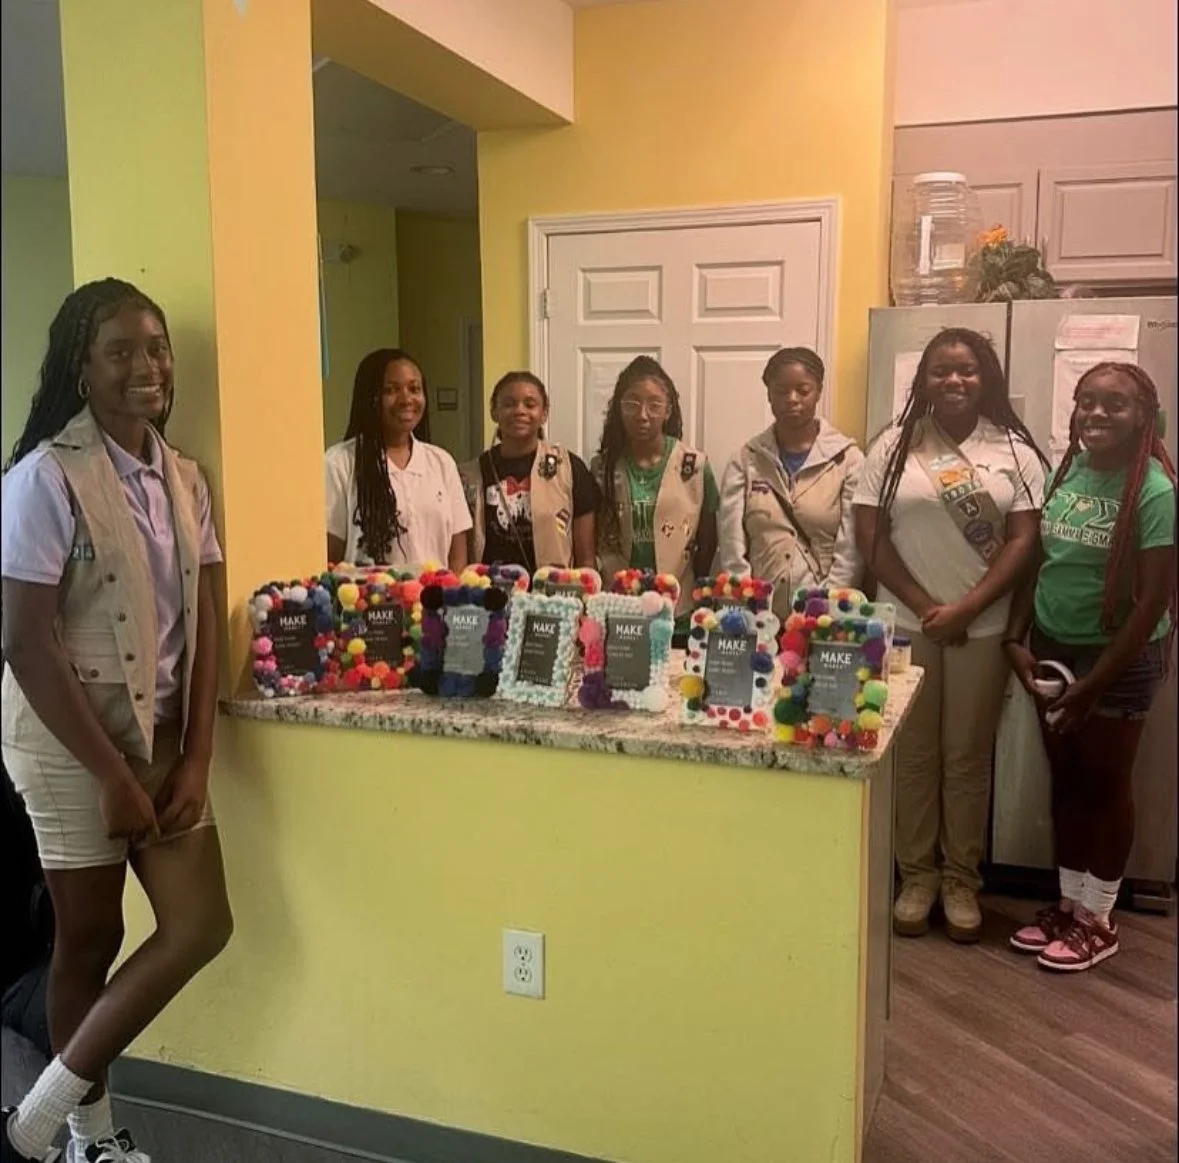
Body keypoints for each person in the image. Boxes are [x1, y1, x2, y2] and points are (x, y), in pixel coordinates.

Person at [1, 279, 233, 1163]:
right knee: (89, 938)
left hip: (160, 739)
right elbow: (25, 641)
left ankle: (28, 1127)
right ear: (81, 368)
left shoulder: (184, 476)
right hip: (69, 745)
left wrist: (197, 755)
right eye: (121, 351)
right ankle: (86, 1141)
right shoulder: (43, 479)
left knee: (200, 924)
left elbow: (207, 620)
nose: (148, 366)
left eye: (158, 347)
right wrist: (109, 775)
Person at [853, 327, 1047, 944]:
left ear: (984, 376)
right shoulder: (892, 447)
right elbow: (871, 539)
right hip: (908, 623)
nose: (955, 380)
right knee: (911, 756)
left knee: (965, 757)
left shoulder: (1013, 450)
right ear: (924, 379)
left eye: (966, 370)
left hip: (982, 627)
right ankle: (917, 877)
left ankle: (962, 879)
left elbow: (1024, 541)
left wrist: (967, 608)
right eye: (942, 370)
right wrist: (925, 604)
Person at [1004, 363, 1175, 972]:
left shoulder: (1154, 490)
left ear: (1143, 417)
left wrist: (1090, 687)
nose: (1097, 414)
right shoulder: (1065, 472)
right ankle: (1068, 904)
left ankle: (1099, 919)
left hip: (1118, 659)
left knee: (1106, 786)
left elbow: (1154, 600)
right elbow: (1040, 565)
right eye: (1087, 402)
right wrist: (1016, 637)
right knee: (1068, 782)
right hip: (1055, 647)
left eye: (1115, 404)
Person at [718, 347, 863, 620]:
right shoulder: (746, 459)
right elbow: (731, 544)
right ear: (769, 395)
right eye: (781, 391)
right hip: (758, 613)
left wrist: (824, 607)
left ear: (819, 391)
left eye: (803, 390)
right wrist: (748, 603)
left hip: (825, 614)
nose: (792, 399)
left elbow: (851, 548)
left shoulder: (848, 459)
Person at [592, 356, 718, 628]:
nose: (643, 415)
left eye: (654, 404)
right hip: (620, 606)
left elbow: (709, 541)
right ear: (618, 409)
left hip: (678, 608)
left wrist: (699, 591)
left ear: (668, 410)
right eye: (632, 404)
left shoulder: (694, 466)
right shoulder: (601, 468)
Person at [324, 348, 470, 572]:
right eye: (391, 390)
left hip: (435, 603)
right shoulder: (340, 463)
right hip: (370, 603)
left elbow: (457, 555)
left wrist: (453, 599)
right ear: (370, 397)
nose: (406, 399)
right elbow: (330, 555)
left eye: (414, 389)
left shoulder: (441, 462)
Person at [460, 372, 599, 572]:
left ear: (544, 413)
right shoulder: (471, 475)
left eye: (530, 404)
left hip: (555, 597)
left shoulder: (569, 468)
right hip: (488, 596)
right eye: (509, 404)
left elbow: (586, 559)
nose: (519, 411)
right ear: (494, 411)